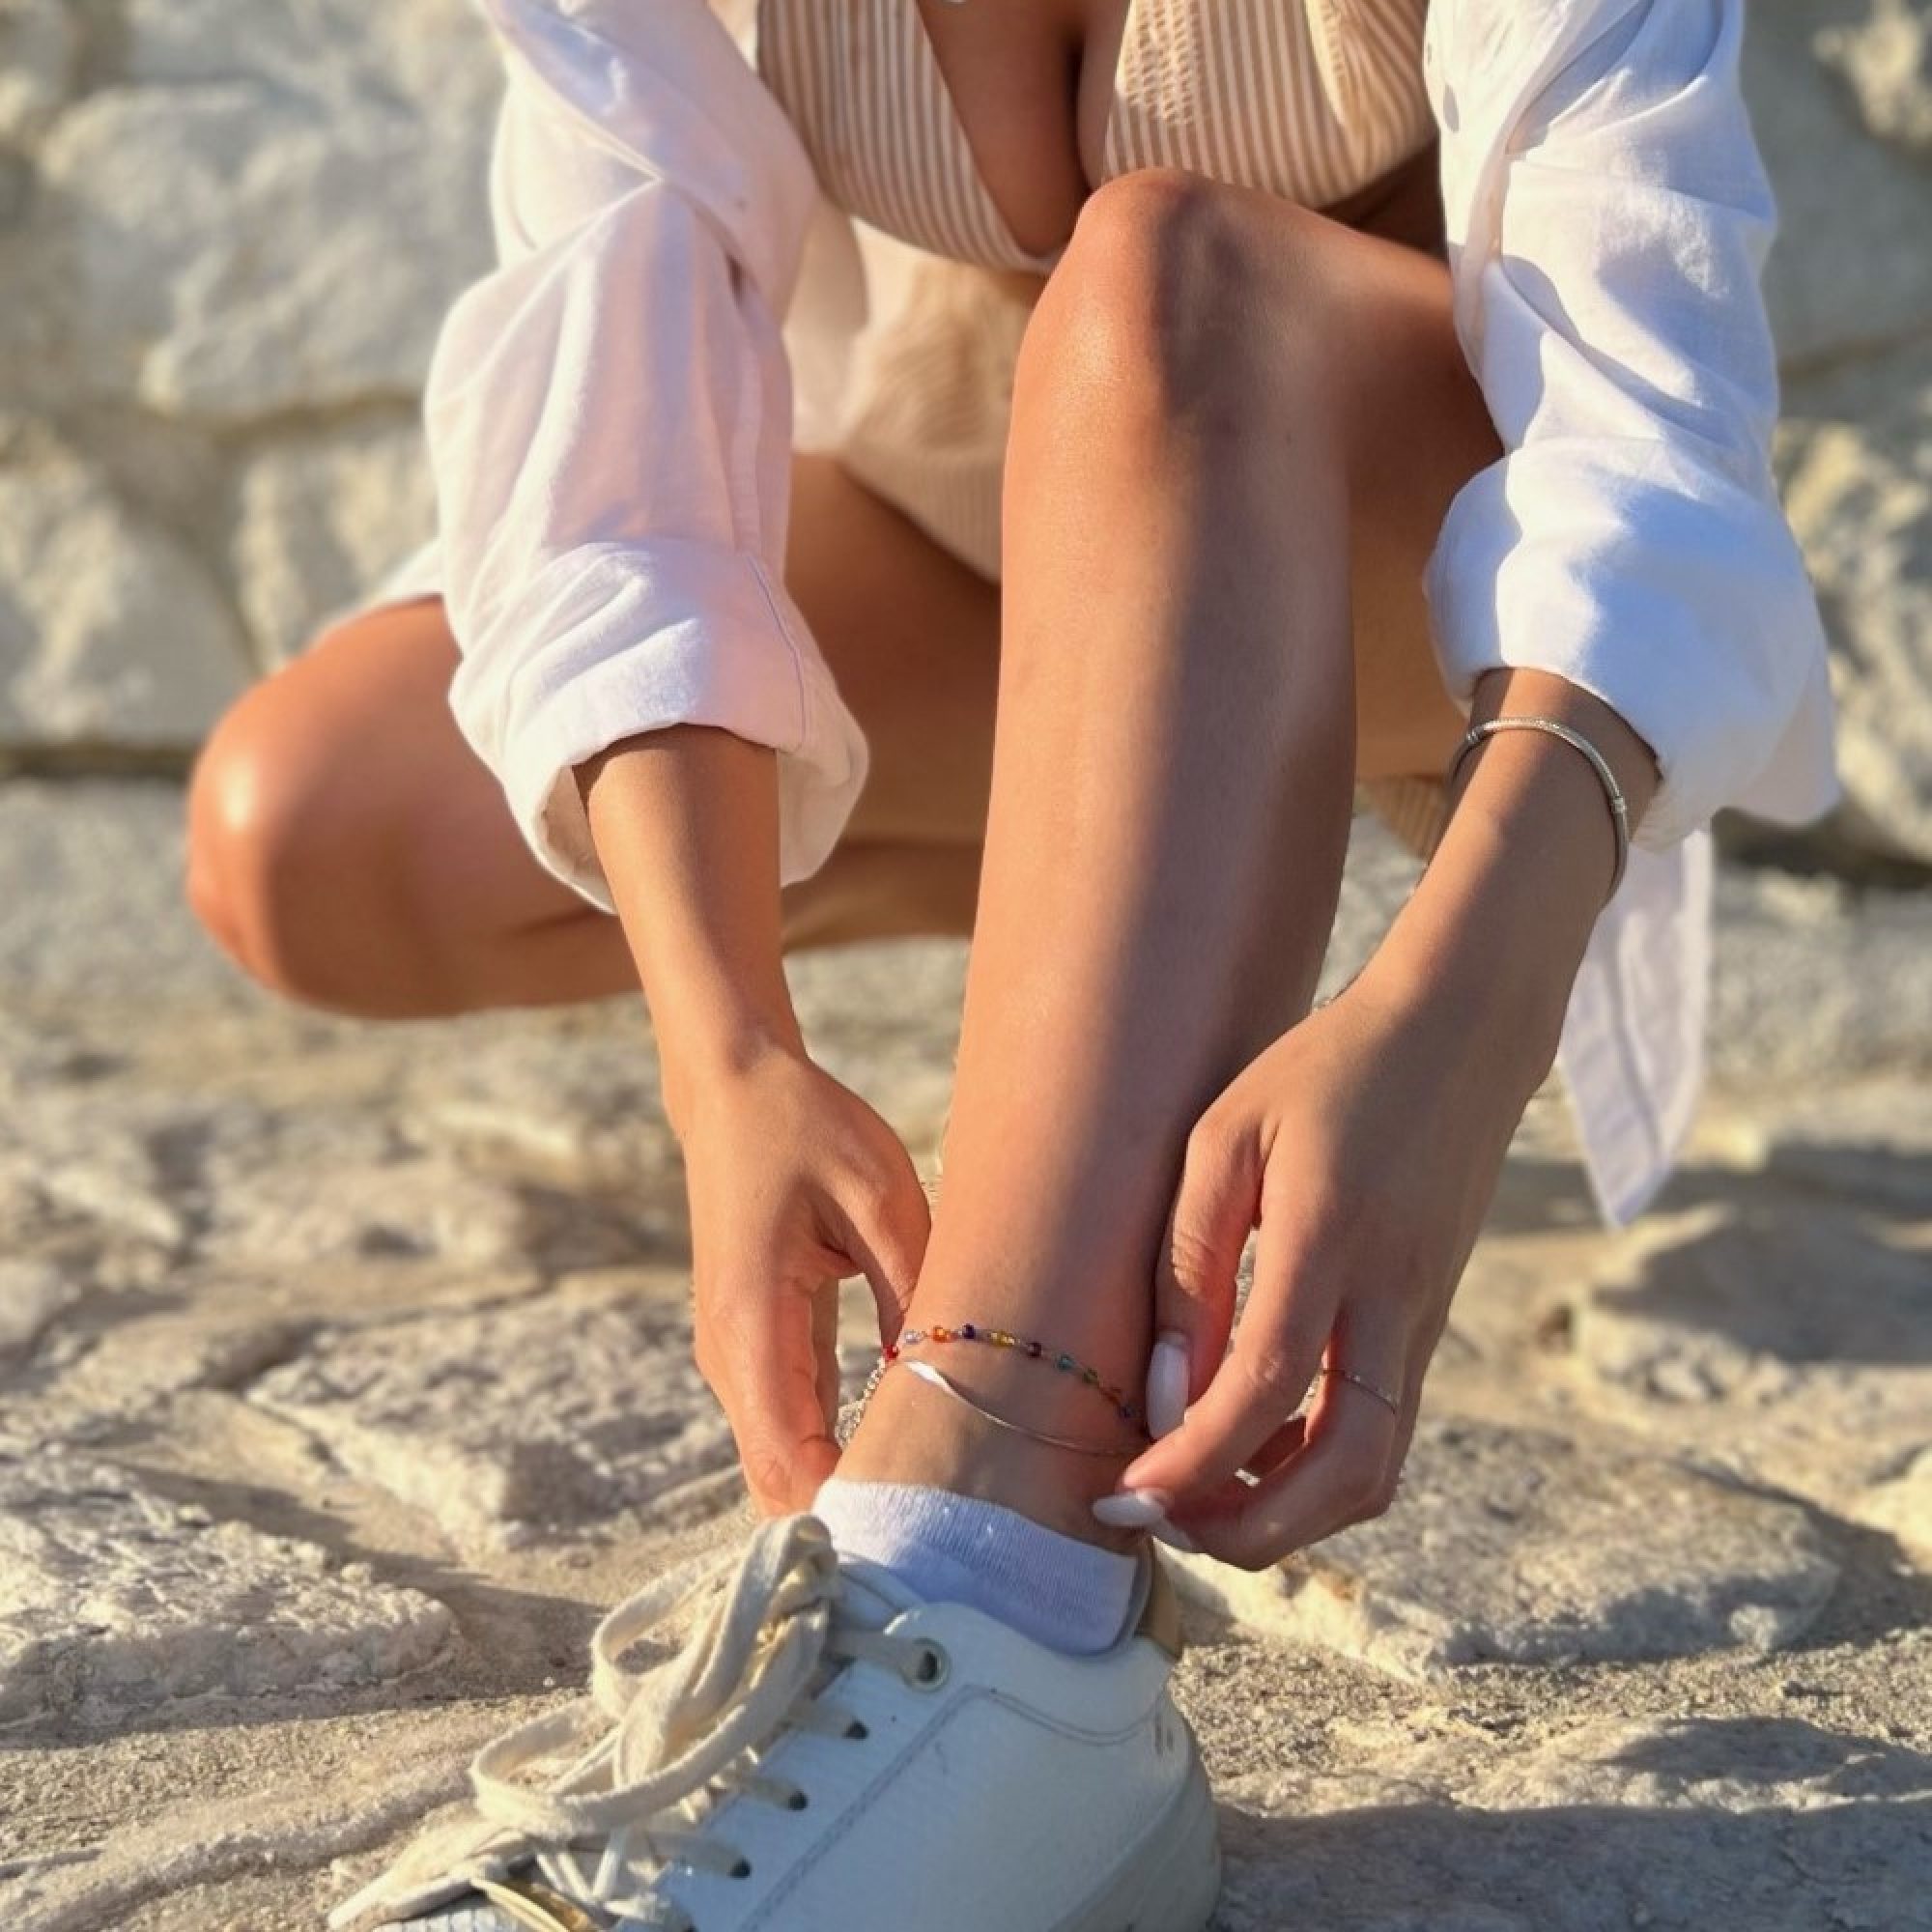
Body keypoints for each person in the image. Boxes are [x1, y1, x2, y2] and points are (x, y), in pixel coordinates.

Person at [185, 1, 1838, 1926]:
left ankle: (1003, 1590)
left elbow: (1644, 420)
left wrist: (1469, 1016)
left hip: (1402, 563)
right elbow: (608, 431)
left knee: (1165, 264)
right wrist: (720, 1048)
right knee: (312, 831)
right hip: (962, 518)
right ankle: (1133, 904)